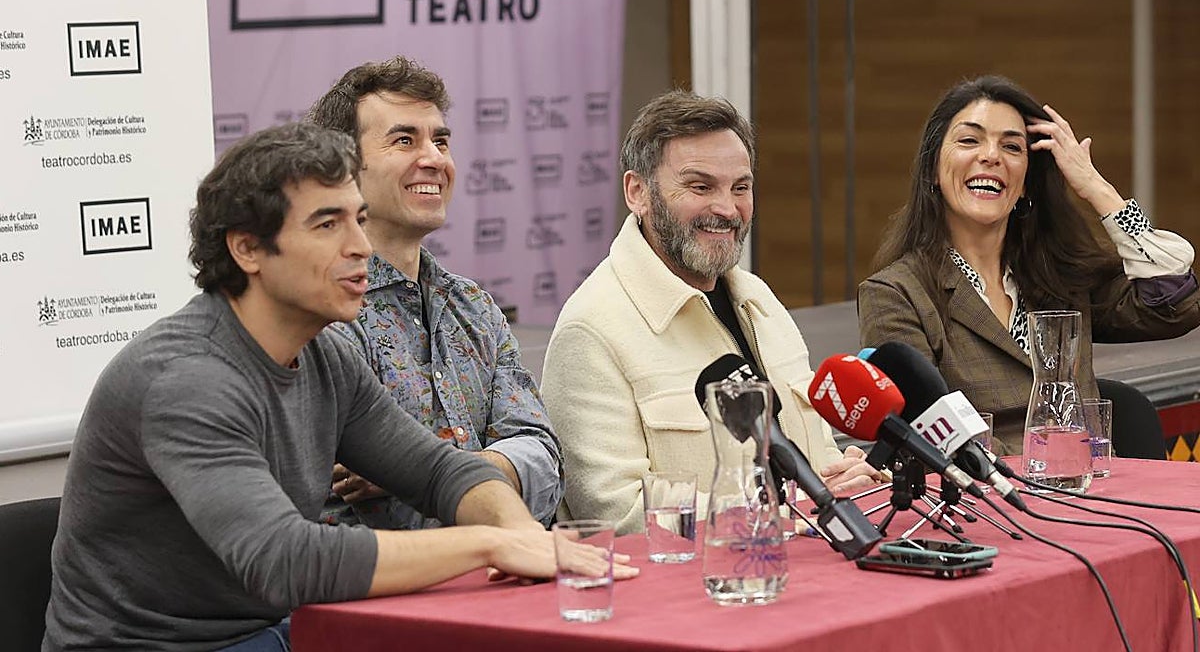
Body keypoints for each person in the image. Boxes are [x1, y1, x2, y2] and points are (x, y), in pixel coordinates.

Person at [43, 123, 631, 652]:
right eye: (328, 224)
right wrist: (488, 545)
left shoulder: (323, 353)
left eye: (359, 219)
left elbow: (439, 472)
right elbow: (285, 560)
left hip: (284, 630)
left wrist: (521, 532)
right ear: (247, 248)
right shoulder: (185, 378)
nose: (361, 247)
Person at [540, 89, 881, 535]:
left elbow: (815, 462)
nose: (726, 209)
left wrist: (847, 476)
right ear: (637, 192)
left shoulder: (760, 300)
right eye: (700, 187)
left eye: (741, 187)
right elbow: (616, 517)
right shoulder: (591, 329)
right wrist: (789, 509)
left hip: (810, 579)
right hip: (691, 596)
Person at [859, 75, 1200, 454]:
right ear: (933, 171)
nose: (991, 156)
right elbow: (928, 439)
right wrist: (1042, 467)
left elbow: (1173, 302)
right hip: (990, 504)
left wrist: (1095, 187)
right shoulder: (895, 294)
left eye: (1012, 147)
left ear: (1025, 183)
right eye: (969, 140)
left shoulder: (1059, 277)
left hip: (1097, 497)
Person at [307, 56, 563, 530]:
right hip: (380, 599)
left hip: (499, 586)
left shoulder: (475, 308)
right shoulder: (320, 314)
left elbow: (544, 462)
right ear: (343, 166)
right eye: (405, 140)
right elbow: (326, 514)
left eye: (440, 140)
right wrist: (489, 473)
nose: (435, 159)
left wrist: (421, 470)